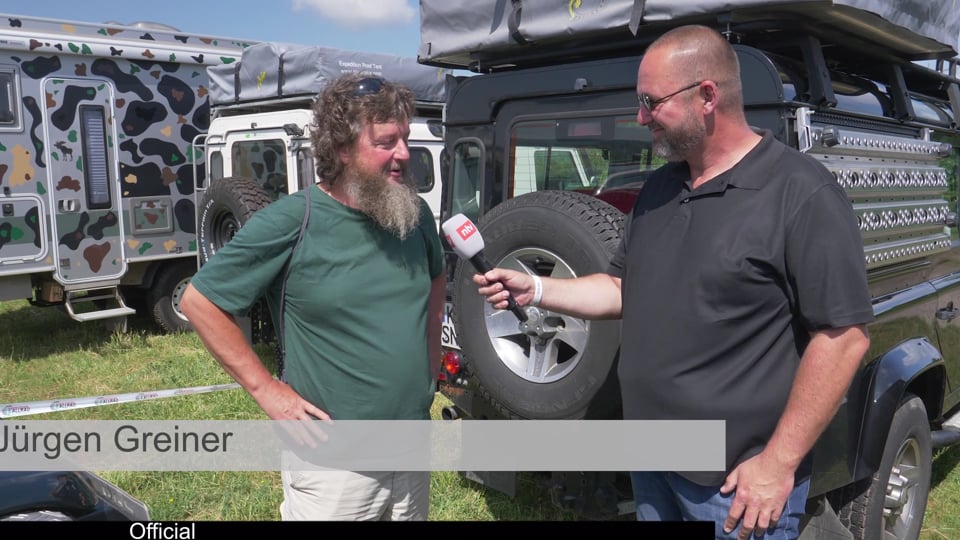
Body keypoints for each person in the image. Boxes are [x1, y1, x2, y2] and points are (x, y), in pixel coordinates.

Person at [473, 25, 872, 539]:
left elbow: (843, 338)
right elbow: (621, 289)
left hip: (735, 483)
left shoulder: (801, 192)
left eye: (650, 102)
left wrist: (777, 464)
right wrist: (539, 290)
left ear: (707, 96)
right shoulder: (662, 186)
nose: (639, 118)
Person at [181, 73, 445, 521]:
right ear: (342, 149)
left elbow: (435, 282)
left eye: (404, 138)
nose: (404, 153)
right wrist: (267, 391)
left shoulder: (414, 215)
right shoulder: (293, 220)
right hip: (334, 468)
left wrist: (429, 369)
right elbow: (199, 302)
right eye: (386, 142)